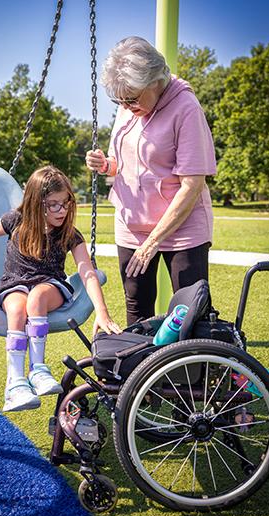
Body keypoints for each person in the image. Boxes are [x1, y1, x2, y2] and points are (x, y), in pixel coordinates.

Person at [0, 166, 121, 412]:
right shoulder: (15, 220)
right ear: (37, 204)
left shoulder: (69, 234)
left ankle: (38, 369)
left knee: (36, 297)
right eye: (54, 204)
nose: (62, 210)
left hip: (51, 286)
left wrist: (102, 311)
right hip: (15, 283)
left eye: (66, 203)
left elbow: (87, 272)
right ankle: (15, 383)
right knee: (16, 309)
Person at [86, 36, 216, 326]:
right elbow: (124, 165)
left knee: (188, 314)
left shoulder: (187, 109)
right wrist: (106, 166)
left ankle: (190, 372)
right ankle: (142, 371)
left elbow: (192, 184)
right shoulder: (128, 105)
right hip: (132, 227)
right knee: (136, 305)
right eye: (120, 100)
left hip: (181, 228)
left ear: (155, 81)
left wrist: (153, 241)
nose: (126, 105)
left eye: (132, 98)